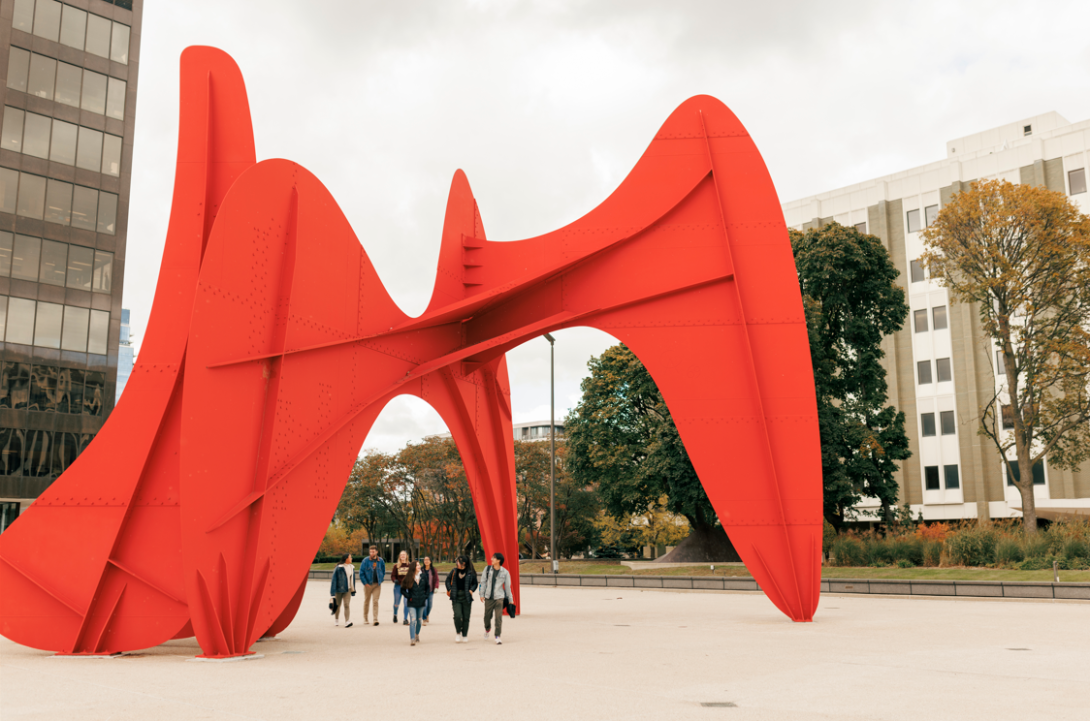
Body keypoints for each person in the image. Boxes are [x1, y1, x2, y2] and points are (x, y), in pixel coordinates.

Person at [479, 552, 513, 645]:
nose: (491, 559)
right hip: (489, 598)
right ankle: (487, 628)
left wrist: (510, 600)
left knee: (498, 618)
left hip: (499, 598)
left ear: (498, 560)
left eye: (493, 558)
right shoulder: (487, 569)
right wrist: (481, 594)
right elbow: (483, 582)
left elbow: (507, 587)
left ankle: (497, 636)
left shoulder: (505, 572)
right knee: (487, 617)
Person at [445, 555, 478, 643]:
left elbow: (475, 583)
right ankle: (458, 632)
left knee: (466, 617)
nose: (457, 563)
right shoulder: (454, 571)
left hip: (466, 597)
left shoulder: (470, 572)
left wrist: (472, 590)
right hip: (456, 596)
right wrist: (450, 589)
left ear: (464, 563)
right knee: (458, 616)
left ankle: (465, 634)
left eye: (458, 561)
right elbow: (447, 580)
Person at [400, 561, 430, 646]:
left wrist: (425, 596)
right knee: (413, 620)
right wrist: (408, 596)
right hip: (411, 602)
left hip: (421, 602)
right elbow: (402, 589)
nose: (419, 566)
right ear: (413, 567)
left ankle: (417, 634)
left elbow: (428, 587)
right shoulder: (408, 577)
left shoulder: (423, 576)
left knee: (419, 621)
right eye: (417, 565)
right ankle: (412, 639)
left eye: (419, 565)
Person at [358, 545, 385, 626]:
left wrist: (380, 580)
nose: (371, 553)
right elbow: (361, 573)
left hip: (377, 585)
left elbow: (383, 571)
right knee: (367, 601)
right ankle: (365, 618)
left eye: (373, 552)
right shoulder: (365, 561)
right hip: (368, 585)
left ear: (376, 552)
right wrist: (365, 583)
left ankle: (375, 619)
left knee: (375, 601)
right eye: (370, 552)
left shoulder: (380, 561)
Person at [330, 553, 356, 628]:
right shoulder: (339, 568)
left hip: (348, 589)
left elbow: (352, 580)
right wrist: (332, 593)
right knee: (338, 605)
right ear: (346, 559)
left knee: (347, 605)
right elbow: (334, 580)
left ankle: (347, 621)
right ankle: (336, 619)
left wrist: (353, 589)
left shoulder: (351, 567)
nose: (351, 558)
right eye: (350, 557)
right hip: (339, 589)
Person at [389, 550, 411, 625]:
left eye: (404, 555)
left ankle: (405, 619)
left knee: (406, 603)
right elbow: (393, 575)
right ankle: (395, 614)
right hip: (398, 586)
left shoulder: (409, 565)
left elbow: (412, 575)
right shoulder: (396, 566)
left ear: (406, 556)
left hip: (407, 587)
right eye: (401, 555)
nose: (402, 556)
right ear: (399, 556)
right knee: (396, 603)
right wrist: (394, 580)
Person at [420, 556, 439, 626]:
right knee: (425, 605)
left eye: (428, 560)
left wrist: (436, 587)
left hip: (430, 590)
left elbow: (437, 579)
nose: (426, 561)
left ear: (430, 561)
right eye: (425, 560)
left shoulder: (433, 570)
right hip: (423, 590)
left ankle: (427, 614)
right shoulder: (421, 570)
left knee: (430, 605)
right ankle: (424, 619)